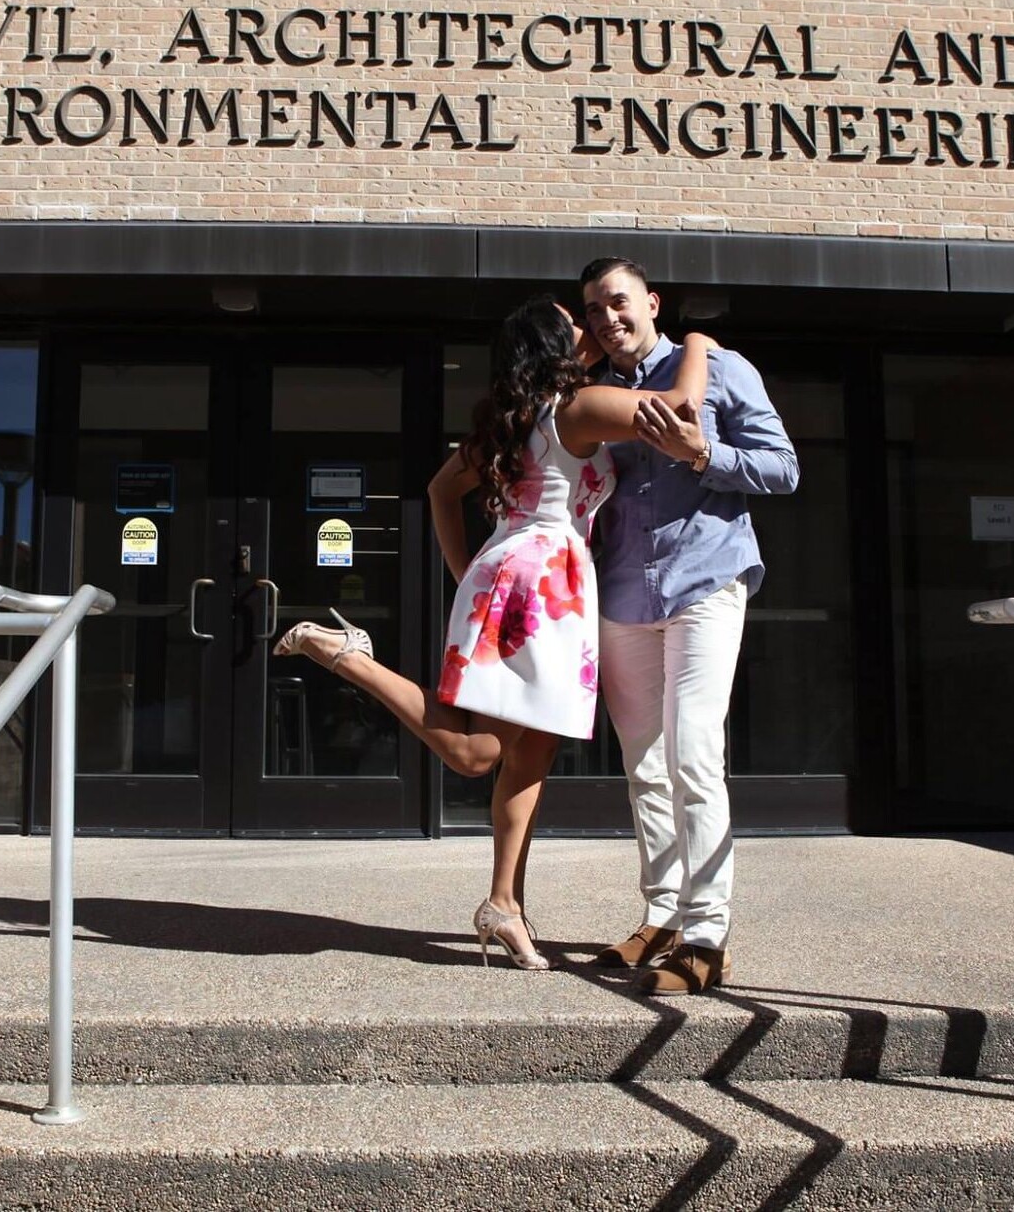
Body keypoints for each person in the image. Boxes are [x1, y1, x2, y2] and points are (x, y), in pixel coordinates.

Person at [275, 296, 713, 971]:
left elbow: (437, 490)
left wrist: (468, 572)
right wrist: (696, 345)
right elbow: (679, 412)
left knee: (532, 752)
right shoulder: (579, 406)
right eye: (573, 324)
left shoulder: (514, 418)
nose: (588, 328)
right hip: (539, 581)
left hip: (532, 577)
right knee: (479, 753)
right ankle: (347, 655)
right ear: (552, 346)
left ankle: (502, 903)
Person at [581, 256, 799, 996]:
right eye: (593, 310)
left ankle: (708, 934)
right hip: (622, 593)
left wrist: (703, 453)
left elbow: (784, 467)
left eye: (617, 302)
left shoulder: (719, 367)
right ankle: (663, 914)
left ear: (650, 301)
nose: (607, 318)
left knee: (693, 753)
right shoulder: (596, 393)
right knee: (642, 762)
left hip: (705, 578)